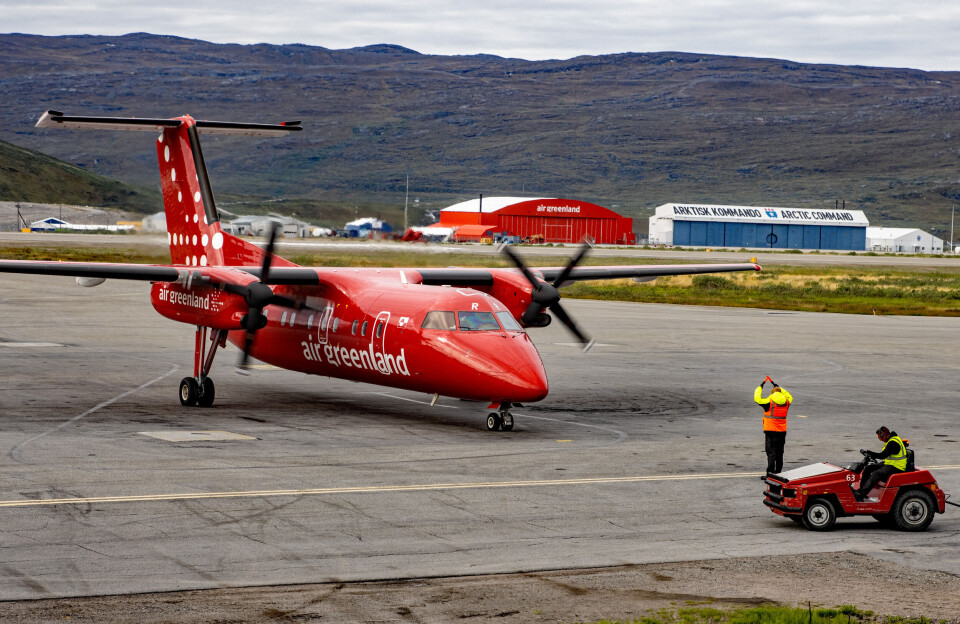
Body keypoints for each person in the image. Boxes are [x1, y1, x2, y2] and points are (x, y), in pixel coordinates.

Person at [852, 426, 908, 501]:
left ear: (886, 434)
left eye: (881, 437)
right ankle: (861, 491)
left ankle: (862, 493)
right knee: (868, 468)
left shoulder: (893, 443)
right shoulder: (890, 440)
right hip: (890, 463)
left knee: (876, 474)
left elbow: (882, 455)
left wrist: (870, 453)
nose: (881, 439)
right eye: (879, 438)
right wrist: (869, 454)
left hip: (897, 466)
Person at [754, 379, 792, 477]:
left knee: (771, 452)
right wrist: (778, 387)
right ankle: (778, 473)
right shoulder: (787, 401)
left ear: (772, 393)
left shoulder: (769, 401)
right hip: (782, 431)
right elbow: (788, 394)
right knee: (780, 452)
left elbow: (757, 398)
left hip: (771, 431)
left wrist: (760, 387)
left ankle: (770, 473)